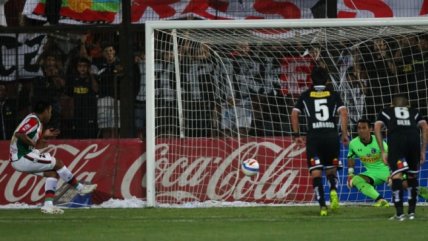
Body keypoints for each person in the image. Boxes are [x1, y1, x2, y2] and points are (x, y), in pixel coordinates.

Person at [9, 100, 97, 214]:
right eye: (50, 111)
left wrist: (44, 137)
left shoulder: (36, 122)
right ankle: (80, 188)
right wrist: (33, 143)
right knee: (58, 162)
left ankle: (48, 205)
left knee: (53, 173)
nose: (50, 114)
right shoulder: (33, 120)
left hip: (24, 156)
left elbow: (36, 144)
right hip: (21, 157)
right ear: (45, 111)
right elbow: (19, 134)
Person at [291, 66, 349, 216]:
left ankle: (323, 206)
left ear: (311, 79)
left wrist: (296, 134)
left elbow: (294, 114)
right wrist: (344, 133)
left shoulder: (305, 95)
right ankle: (334, 191)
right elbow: (343, 112)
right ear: (327, 79)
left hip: (314, 138)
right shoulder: (334, 94)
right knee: (331, 169)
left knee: (316, 173)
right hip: (331, 137)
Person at [374, 95, 428, 221]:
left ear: (392, 105)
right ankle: (412, 213)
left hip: (397, 141)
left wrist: (382, 151)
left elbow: (377, 127)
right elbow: (425, 126)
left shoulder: (386, 111)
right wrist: (423, 150)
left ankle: (399, 213)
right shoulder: (414, 111)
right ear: (407, 105)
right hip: (413, 141)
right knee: (412, 176)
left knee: (396, 176)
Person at [347, 119, 390, 207]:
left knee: (403, 183)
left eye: (364, 128)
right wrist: (350, 173)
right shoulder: (353, 143)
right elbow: (350, 157)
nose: (361, 130)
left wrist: (394, 172)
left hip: (386, 171)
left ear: (370, 129)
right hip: (371, 173)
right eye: (359, 128)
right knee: (354, 180)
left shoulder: (379, 142)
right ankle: (380, 200)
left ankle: (422, 192)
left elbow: (391, 157)